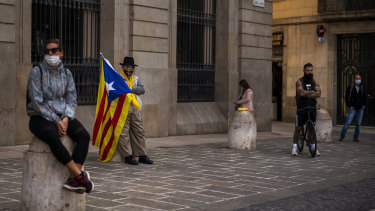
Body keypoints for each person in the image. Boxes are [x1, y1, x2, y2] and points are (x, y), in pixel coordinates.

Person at [26, 39, 94, 194]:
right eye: (47, 51)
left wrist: (65, 118)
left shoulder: (67, 73)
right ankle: (80, 176)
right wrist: (56, 120)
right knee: (52, 136)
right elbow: (37, 102)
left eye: (54, 50)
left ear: (61, 53)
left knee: (83, 136)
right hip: (39, 117)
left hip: (62, 116)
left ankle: (73, 178)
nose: (50, 54)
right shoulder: (37, 72)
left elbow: (71, 99)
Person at [117, 57, 153, 165]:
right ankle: (127, 156)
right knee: (123, 133)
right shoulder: (118, 78)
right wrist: (127, 88)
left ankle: (141, 154)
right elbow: (117, 90)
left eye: (132, 67)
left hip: (134, 108)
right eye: (128, 66)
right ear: (123, 67)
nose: (130, 68)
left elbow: (142, 90)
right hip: (123, 108)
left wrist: (131, 89)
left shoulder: (136, 78)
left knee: (139, 132)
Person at [292, 63, 321, 156]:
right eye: (308, 70)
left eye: (311, 70)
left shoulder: (315, 82)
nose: (310, 72)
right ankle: (294, 147)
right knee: (298, 127)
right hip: (302, 106)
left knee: (312, 128)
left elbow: (319, 93)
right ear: (304, 71)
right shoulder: (299, 81)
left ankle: (313, 147)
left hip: (312, 106)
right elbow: (300, 93)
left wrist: (307, 93)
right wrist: (312, 92)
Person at [339, 74, 367, 142]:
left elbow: (365, 97)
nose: (358, 80)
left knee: (358, 124)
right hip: (353, 108)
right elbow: (346, 97)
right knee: (348, 122)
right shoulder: (350, 87)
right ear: (354, 79)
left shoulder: (362, 87)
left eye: (359, 78)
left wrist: (364, 105)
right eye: (357, 78)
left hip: (360, 108)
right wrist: (349, 106)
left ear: (361, 79)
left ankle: (356, 137)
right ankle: (342, 136)